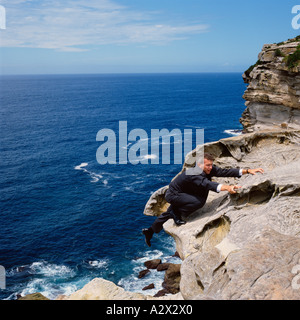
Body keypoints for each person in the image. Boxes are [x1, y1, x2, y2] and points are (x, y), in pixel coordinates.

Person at [142, 153, 264, 247]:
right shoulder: (195, 174)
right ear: (199, 165)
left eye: (211, 165)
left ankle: (150, 231)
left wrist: (247, 171)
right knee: (198, 202)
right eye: (208, 165)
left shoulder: (208, 169)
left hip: (185, 191)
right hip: (174, 195)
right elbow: (208, 185)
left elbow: (225, 172)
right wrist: (228, 187)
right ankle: (176, 213)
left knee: (169, 213)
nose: (211, 168)